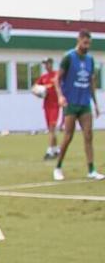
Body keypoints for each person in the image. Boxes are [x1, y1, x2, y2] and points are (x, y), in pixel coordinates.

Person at [52, 30, 99, 181]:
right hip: (71, 102)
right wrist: (60, 96)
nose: (87, 46)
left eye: (89, 43)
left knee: (88, 135)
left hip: (85, 103)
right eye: (85, 43)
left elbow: (91, 82)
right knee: (68, 136)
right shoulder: (69, 57)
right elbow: (56, 79)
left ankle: (91, 170)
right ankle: (58, 167)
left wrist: (96, 104)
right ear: (79, 40)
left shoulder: (90, 60)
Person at [35, 56, 63, 160]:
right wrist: (38, 93)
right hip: (46, 106)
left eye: (48, 63)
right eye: (45, 64)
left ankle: (49, 151)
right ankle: (56, 150)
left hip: (55, 106)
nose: (46, 66)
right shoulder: (44, 77)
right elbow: (34, 88)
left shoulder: (56, 75)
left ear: (51, 63)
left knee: (52, 128)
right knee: (51, 129)